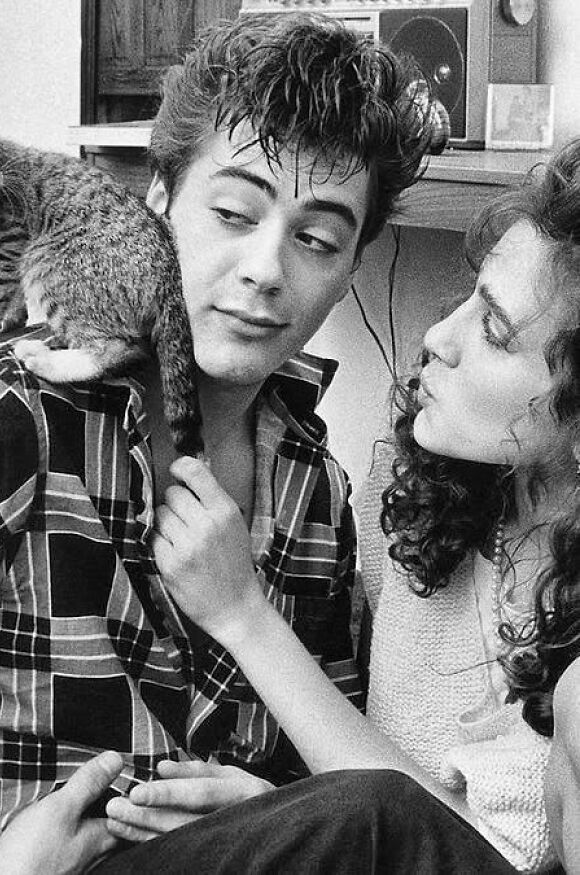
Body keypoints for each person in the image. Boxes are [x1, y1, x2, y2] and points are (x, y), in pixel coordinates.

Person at [0, 12, 436, 875]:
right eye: (233, 213)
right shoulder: (0, 414)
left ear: (350, 269)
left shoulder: (315, 490)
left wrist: (266, 808)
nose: (264, 270)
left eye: (317, 239)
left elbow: (329, 778)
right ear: (156, 203)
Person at [98, 140, 580, 873]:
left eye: (493, 331)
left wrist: (243, 615)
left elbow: (432, 838)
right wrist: (283, 809)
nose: (437, 338)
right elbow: (363, 781)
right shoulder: (413, 504)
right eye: (466, 299)